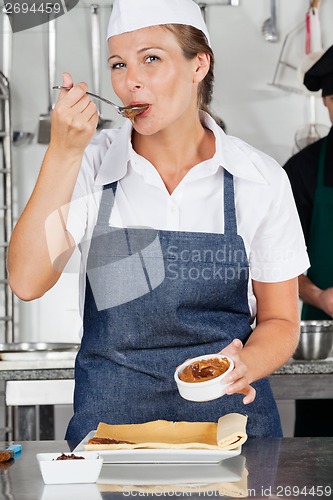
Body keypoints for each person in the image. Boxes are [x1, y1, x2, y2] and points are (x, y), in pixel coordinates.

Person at [8, 0, 309, 442]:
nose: (131, 81)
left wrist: (246, 364)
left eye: (152, 58)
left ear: (198, 65)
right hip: (111, 437)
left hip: (230, 435)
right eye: (118, 64)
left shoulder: (259, 179)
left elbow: (281, 321)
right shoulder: (90, 165)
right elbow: (27, 280)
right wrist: (64, 152)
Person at [283, 45, 333, 436]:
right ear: (328, 104)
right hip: (324, 344)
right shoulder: (301, 171)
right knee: (319, 463)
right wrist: (318, 296)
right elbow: (273, 263)